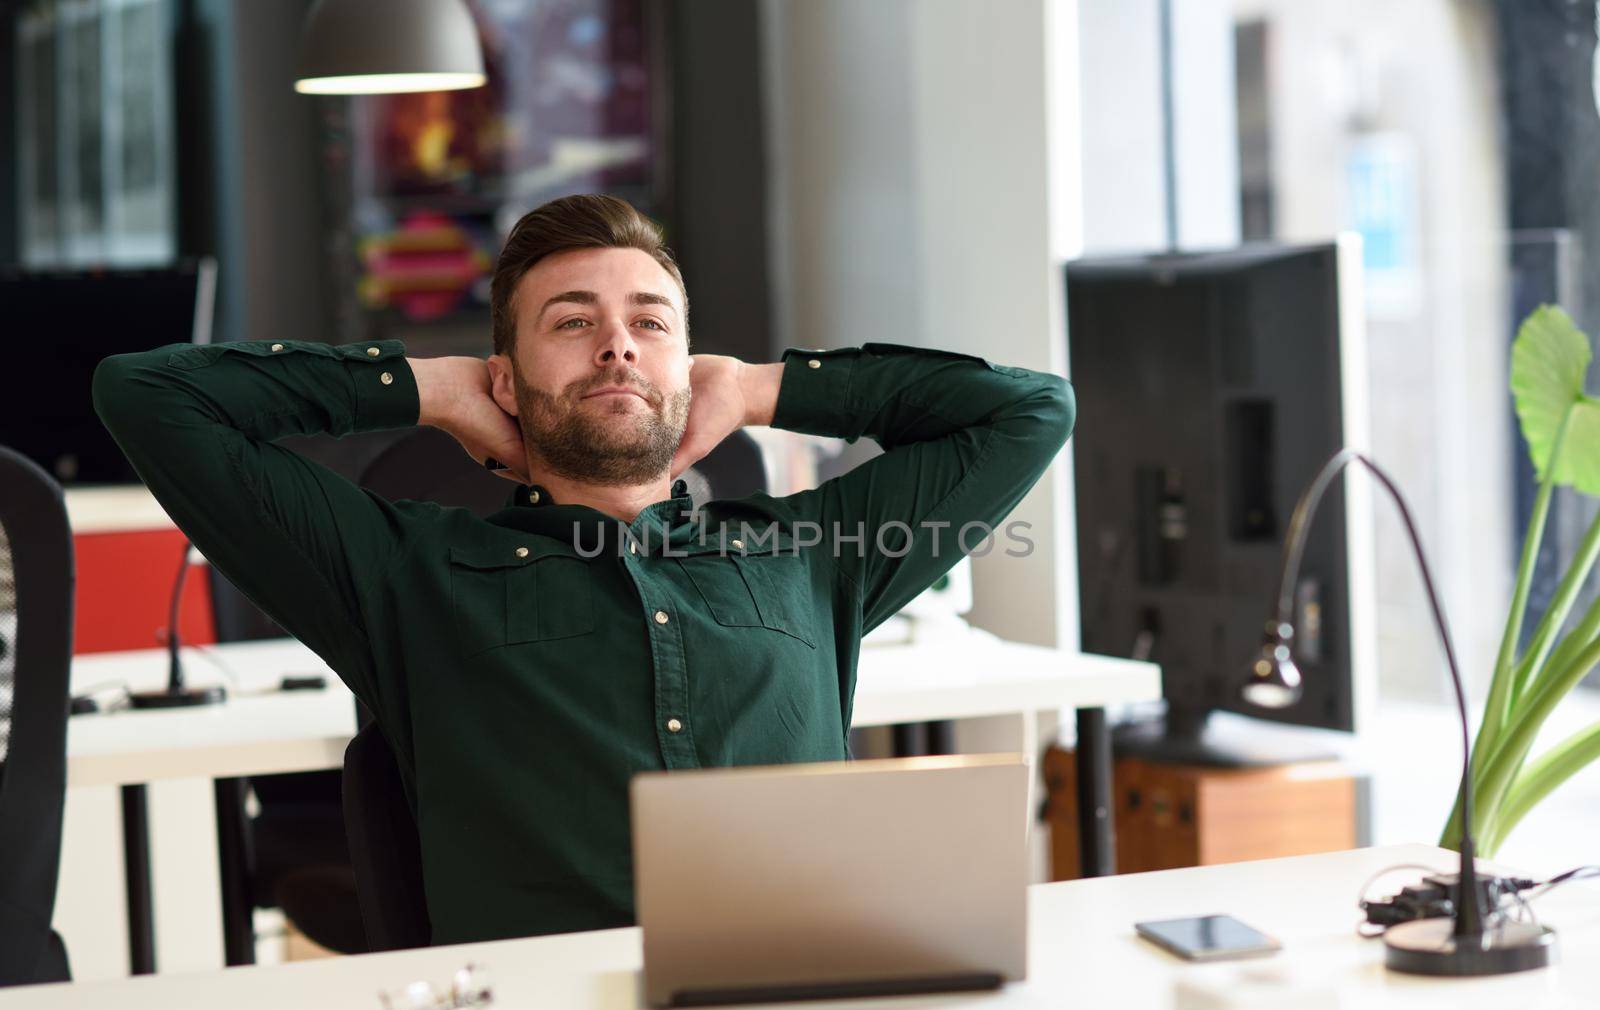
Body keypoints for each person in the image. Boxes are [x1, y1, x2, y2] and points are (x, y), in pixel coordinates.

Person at [93, 193, 1075, 945]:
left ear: (688, 366)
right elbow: (146, 396)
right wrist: (423, 387)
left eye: (650, 322)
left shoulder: (810, 553)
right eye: (571, 322)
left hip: (798, 1005)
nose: (616, 343)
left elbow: (1031, 410)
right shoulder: (403, 569)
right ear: (504, 377)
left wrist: (769, 386)